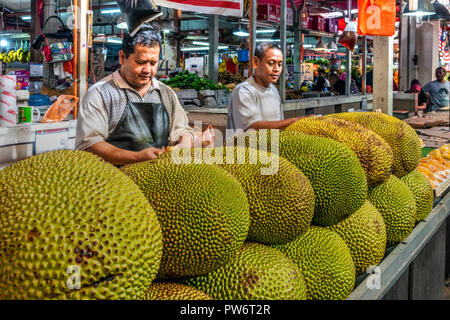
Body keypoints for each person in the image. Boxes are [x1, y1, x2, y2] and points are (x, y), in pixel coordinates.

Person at [76, 25, 194, 165]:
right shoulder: (101, 93)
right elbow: (89, 145)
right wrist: (136, 157)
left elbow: (182, 131)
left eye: (153, 63)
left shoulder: (166, 94)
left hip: (159, 181)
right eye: (141, 62)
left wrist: (184, 143)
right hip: (112, 182)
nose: (147, 70)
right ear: (122, 57)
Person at [226, 42, 305, 131]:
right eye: (271, 63)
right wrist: (294, 121)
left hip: (271, 144)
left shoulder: (274, 90)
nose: (276, 69)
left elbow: (278, 124)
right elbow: (249, 128)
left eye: (280, 64)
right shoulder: (243, 91)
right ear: (256, 62)